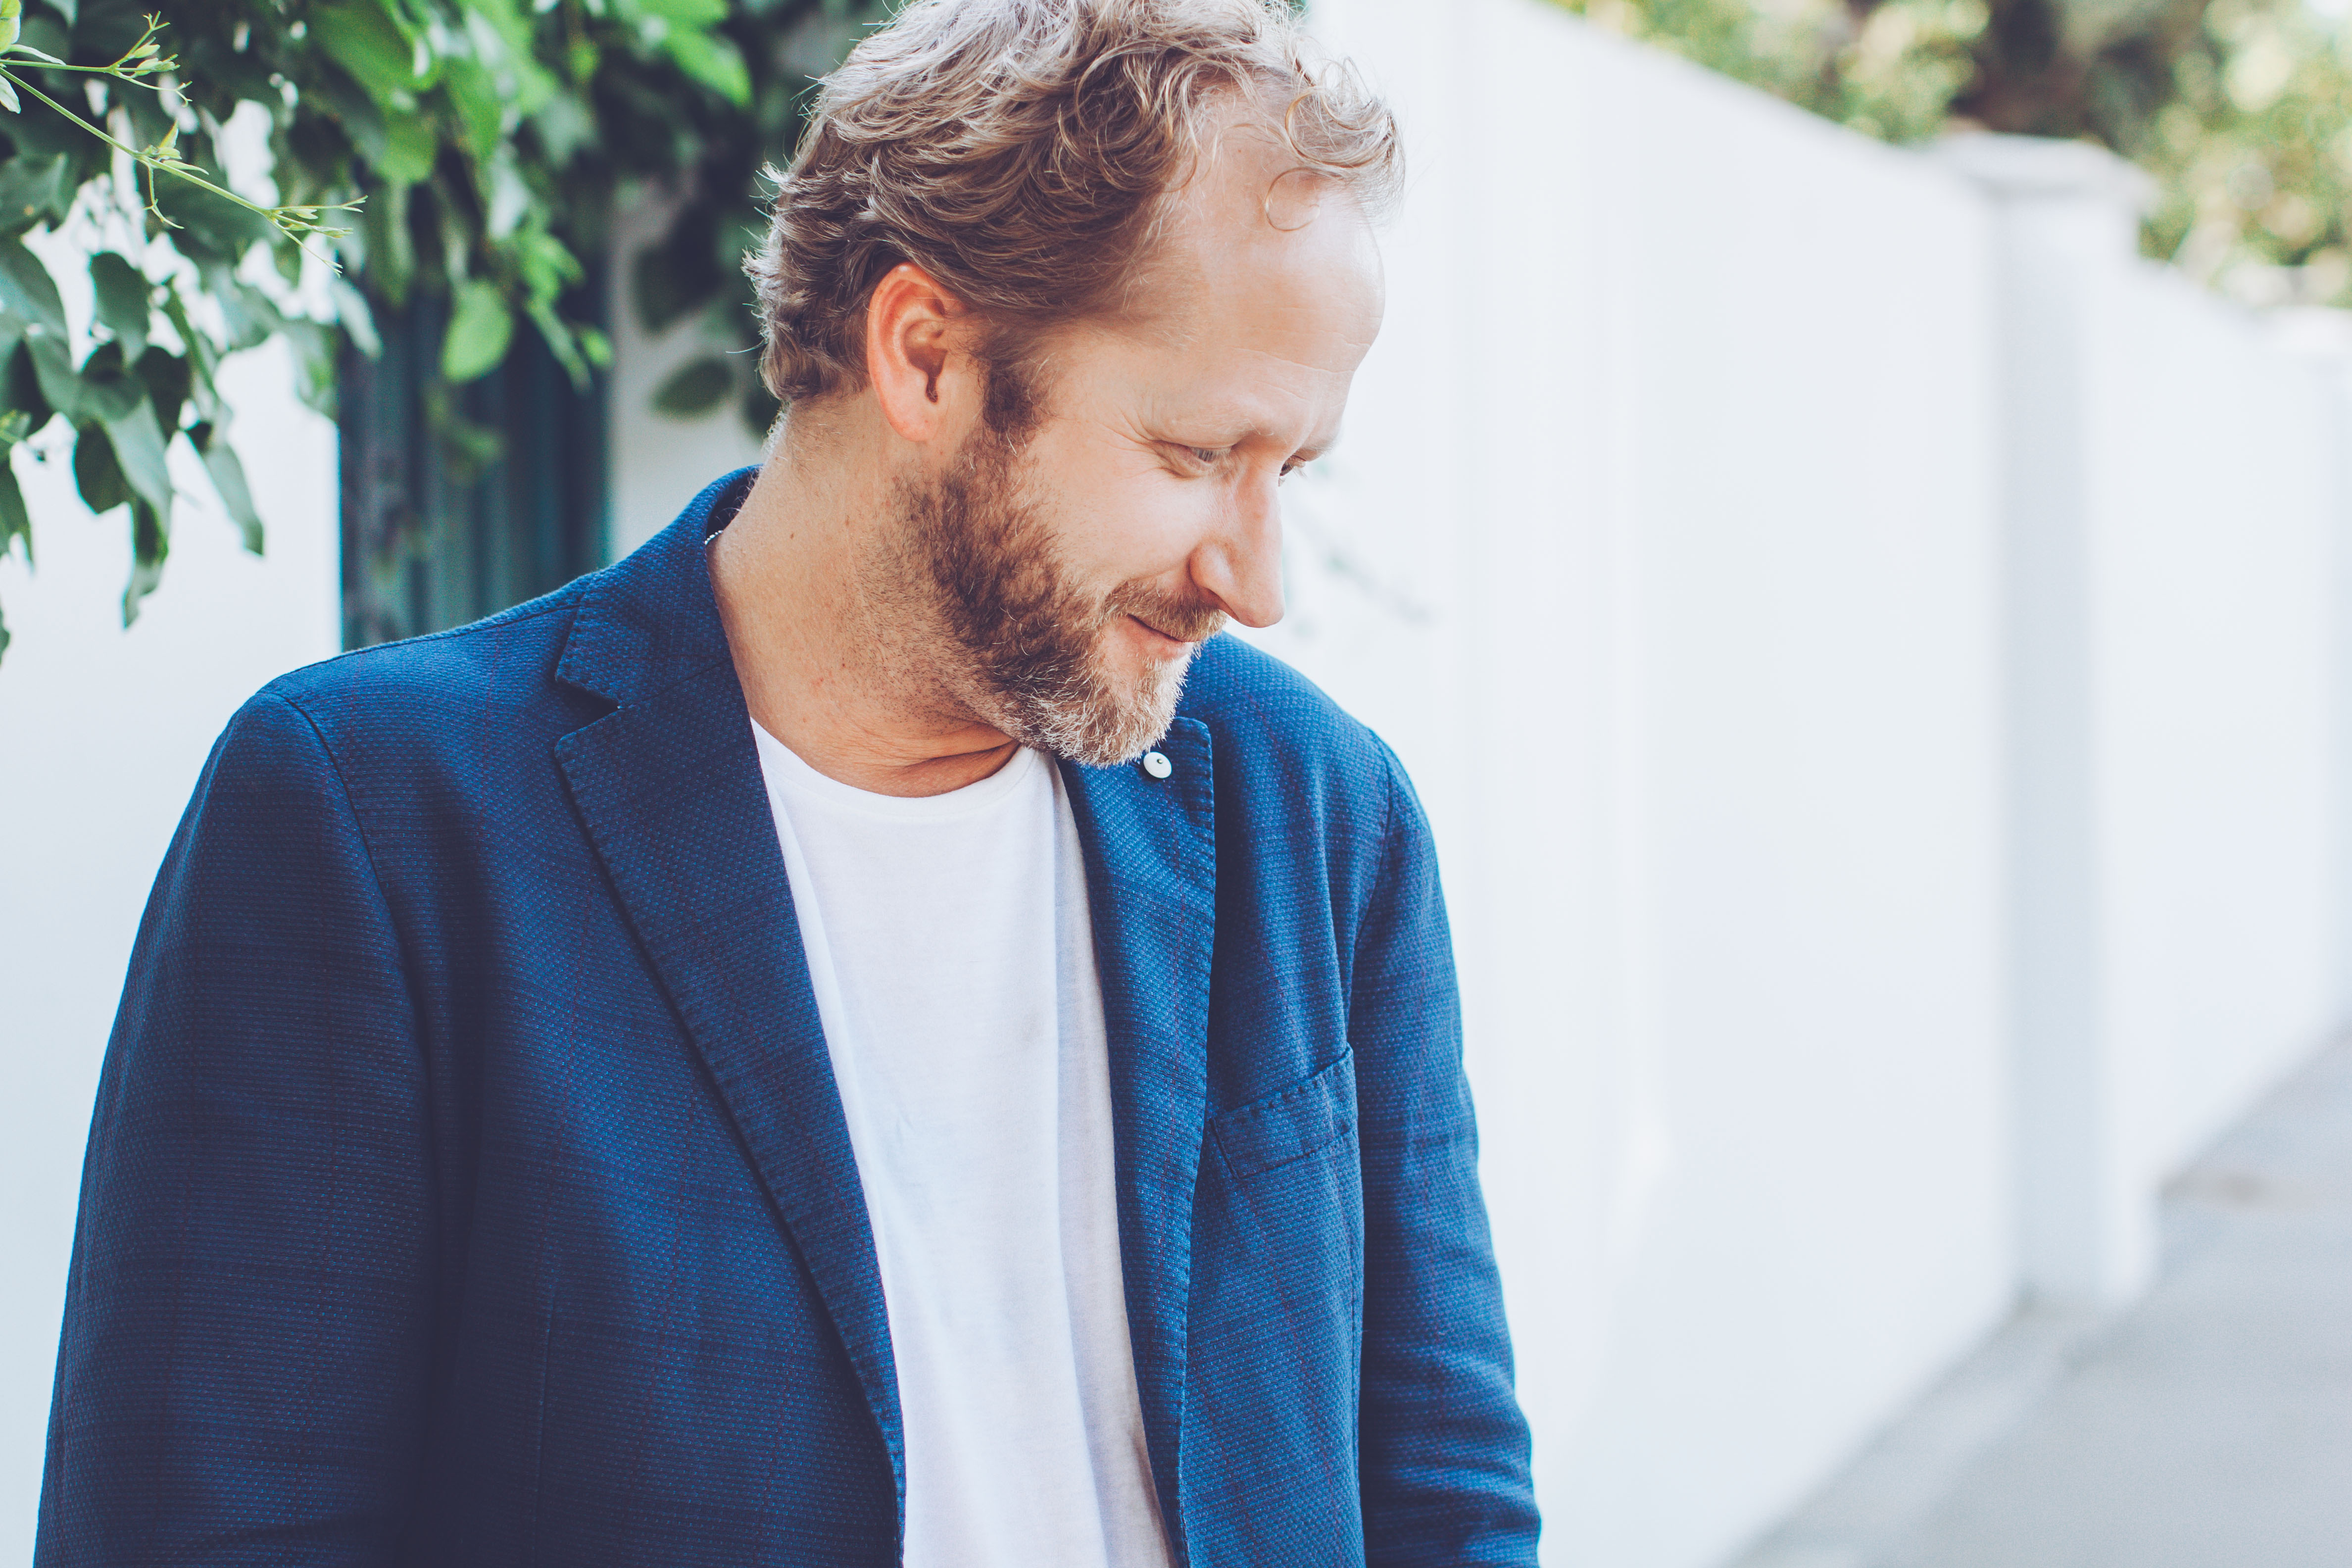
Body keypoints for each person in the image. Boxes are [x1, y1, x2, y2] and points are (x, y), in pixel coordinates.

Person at [36, 0, 1539, 1562]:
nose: (1258, 580)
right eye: (1194, 456)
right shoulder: (374, 819)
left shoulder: (1322, 813)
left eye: (1291, 471)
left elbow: (1446, 1491)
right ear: (926, 355)